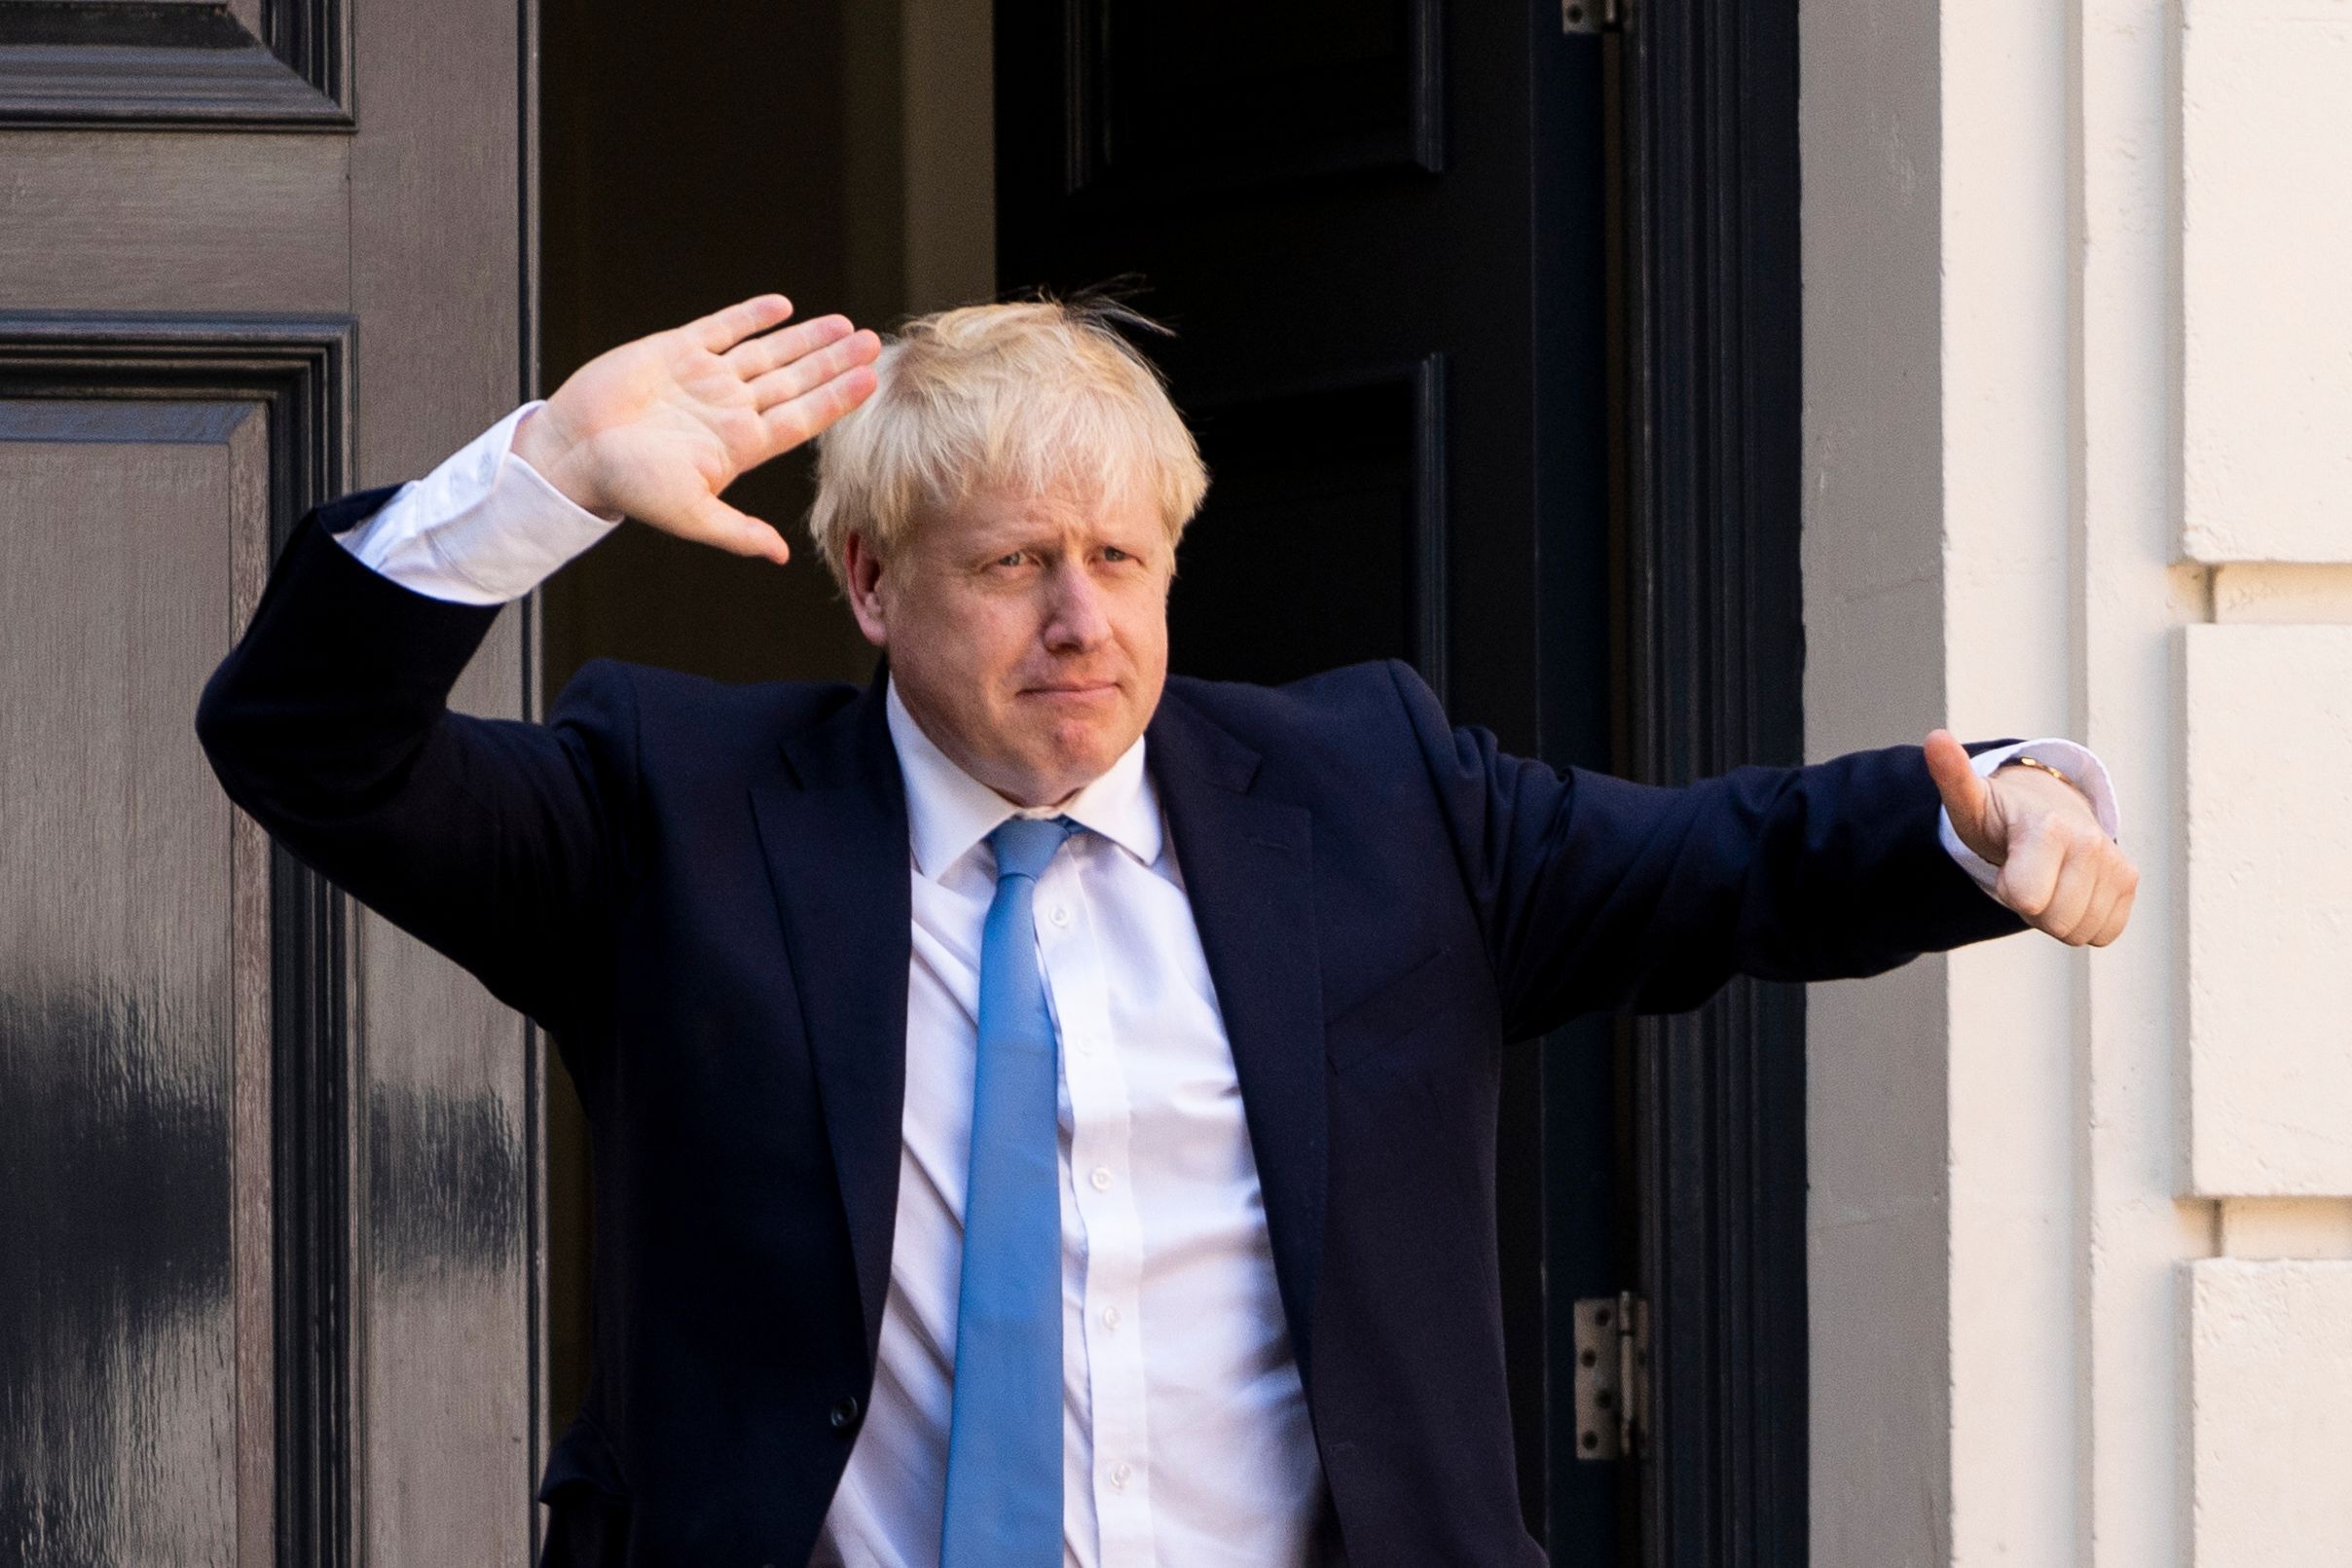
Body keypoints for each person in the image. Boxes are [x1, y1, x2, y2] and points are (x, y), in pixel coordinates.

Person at [196, 293, 2137, 1568]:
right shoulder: (671, 812)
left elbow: (1728, 861)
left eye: (1120, 557)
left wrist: (1992, 807)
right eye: (1013, 564)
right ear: (867, 581)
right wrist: (533, 474)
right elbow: (309, 743)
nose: (1081, 620)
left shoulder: (1374, 798)